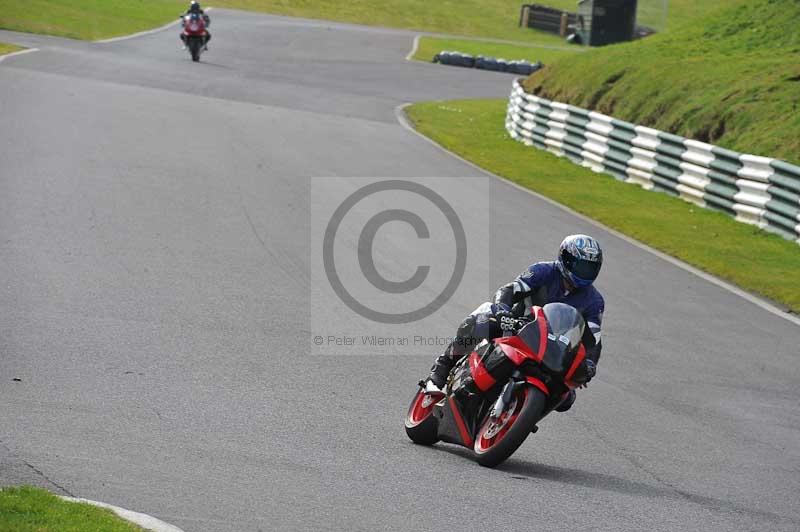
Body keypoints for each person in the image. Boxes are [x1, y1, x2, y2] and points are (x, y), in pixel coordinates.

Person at [427, 234, 605, 412]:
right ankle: (443, 366)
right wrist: (503, 310)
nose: (585, 272)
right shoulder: (543, 271)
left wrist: (589, 364)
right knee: (484, 316)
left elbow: (593, 339)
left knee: (567, 398)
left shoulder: (594, 300)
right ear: (566, 258)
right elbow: (510, 290)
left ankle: (523, 414)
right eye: (581, 266)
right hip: (517, 327)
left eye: (590, 267)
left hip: (552, 349)